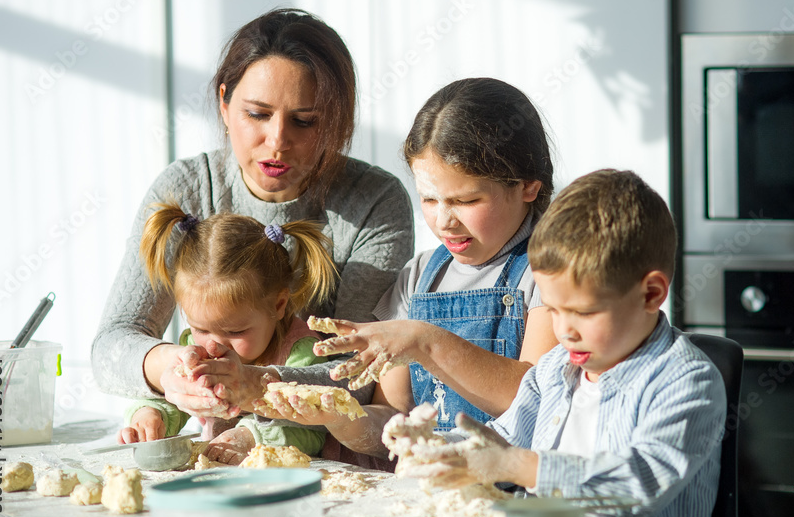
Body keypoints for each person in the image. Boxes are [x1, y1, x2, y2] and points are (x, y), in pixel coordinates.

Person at [176, 78, 560, 464]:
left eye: (466, 200)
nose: (444, 221)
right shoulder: (422, 276)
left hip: (512, 493)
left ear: (528, 186)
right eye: (428, 198)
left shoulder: (550, 272)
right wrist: (338, 415)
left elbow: (532, 396)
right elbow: (388, 421)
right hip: (433, 489)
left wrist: (426, 341)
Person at [91, 8, 414, 425]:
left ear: (336, 122)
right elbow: (109, 348)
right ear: (224, 105)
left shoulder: (375, 201)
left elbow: (361, 371)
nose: (277, 141)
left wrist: (256, 384)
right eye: (257, 114)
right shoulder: (187, 188)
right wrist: (169, 366)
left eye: (304, 120)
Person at [399, 169, 727, 517]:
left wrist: (517, 466)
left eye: (584, 313)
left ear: (651, 294)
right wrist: (436, 448)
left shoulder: (686, 380)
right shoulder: (556, 369)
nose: (565, 331)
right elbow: (502, 440)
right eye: (553, 310)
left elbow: (639, 483)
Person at [117, 204, 337, 464]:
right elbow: (178, 399)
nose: (213, 344)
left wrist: (249, 436)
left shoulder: (300, 350)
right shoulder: (194, 347)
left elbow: (313, 431)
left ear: (279, 305)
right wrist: (151, 415)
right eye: (200, 328)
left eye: (236, 331)